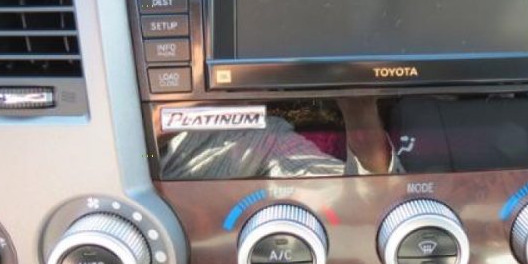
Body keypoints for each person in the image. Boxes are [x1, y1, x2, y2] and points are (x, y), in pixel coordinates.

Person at [159, 97, 401, 179]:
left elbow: (366, 193)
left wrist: (359, 109)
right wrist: (162, 125)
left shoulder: (264, 137)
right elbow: (142, 155)